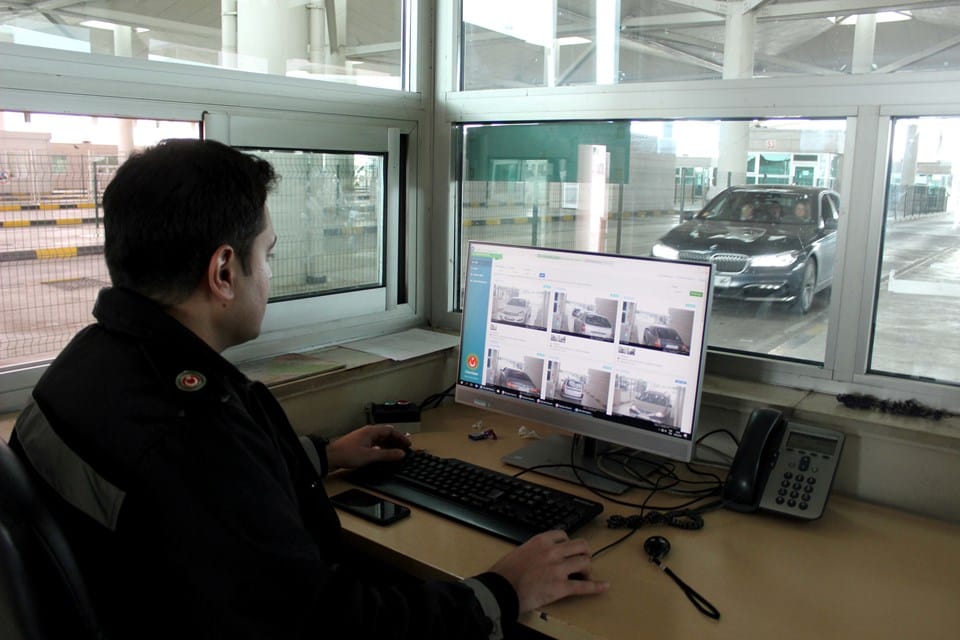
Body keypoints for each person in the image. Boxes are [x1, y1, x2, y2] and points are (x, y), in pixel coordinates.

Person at [9, 139, 607, 640]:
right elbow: (332, 625)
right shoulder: (192, 433)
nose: (269, 276)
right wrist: (503, 591)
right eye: (267, 255)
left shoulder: (87, 364)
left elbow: (187, 505)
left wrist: (321, 456)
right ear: (224, 272)